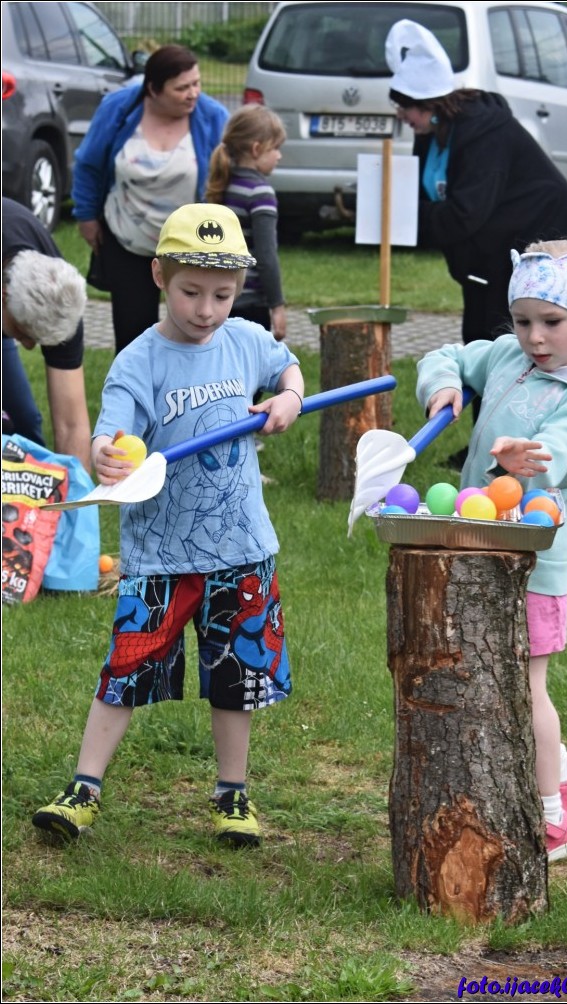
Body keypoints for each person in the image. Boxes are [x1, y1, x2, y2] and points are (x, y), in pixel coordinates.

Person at [32, 204, 305, 849]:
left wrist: (290, 396)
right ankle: (84, 787)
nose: (206, 309)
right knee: (125, 670)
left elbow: (286, 365)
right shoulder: (140, 362)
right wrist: (106, 453)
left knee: (236, 679)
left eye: (222, 295)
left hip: (240, 549)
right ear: (159, 276)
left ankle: (232, 792)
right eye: (191, 292)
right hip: (160, 555)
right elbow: (111, 433)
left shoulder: (245, 340)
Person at [415, 240, 567, 862]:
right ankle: (564, 773)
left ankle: (554, 816)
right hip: (480, 547)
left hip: (535, 562)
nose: (535, 337)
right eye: (522, 320)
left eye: (552, 322)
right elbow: (447, 354)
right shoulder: (509, 357)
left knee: (526, 686)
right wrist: (444, 385)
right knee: (487, 671)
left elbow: (561, 454)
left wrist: (525, 457)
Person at [386, 20, 567, 466]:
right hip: (488, 243)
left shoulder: (484, 133)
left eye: (407, 108)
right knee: (479, 335)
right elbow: (427, 199)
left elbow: (464, 213)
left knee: (506, 336)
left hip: (532, 232)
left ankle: (516, 442)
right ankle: (485, 440)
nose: (402, 117)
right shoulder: (433, 134)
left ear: (431, 105)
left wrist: (405, 219)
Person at [72, 44, 229, 355]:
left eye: (196, 83)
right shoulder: (118, 109)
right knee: (132, 335)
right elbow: (89, 163)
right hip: (126, 241)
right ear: (153, 89)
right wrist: (86, 216)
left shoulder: (213, 117)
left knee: (192, 330)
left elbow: (228, 177)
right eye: (181, 88)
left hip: (190, 247)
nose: (193, 94)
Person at [2, 198, 91, 472]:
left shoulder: (61, 298)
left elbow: (71, 424)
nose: (29, 346)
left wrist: (77, 494)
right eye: (23, 333)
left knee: (23, 424)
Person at [206, 104, 287, 342]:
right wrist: (277, 305)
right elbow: (266, 257)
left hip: (215, 299)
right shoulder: (260, 193)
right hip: (250, 303)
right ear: (256, 149)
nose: (279, 156)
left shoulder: (219, 185)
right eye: (276, 148)